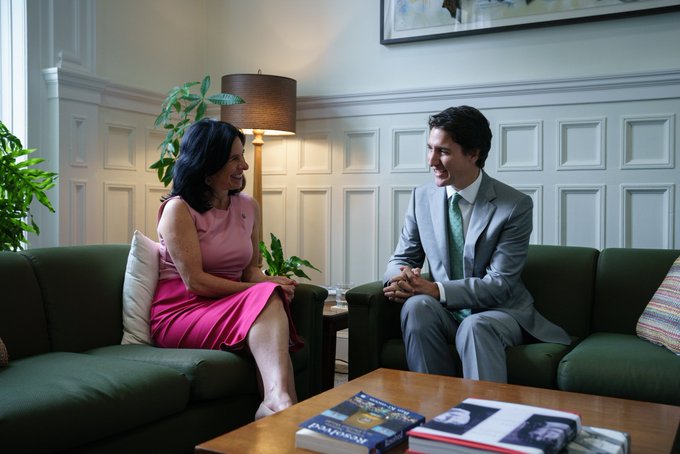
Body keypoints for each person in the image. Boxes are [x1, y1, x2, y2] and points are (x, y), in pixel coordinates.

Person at [383, 105, 570, 383]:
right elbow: (401, 257)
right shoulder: (421, 197)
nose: (431, 160)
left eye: (443, 151)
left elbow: (500, 285)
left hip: (498, 313)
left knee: (475, 325)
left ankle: (484, 418)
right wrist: (402, 278)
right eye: (430, 148)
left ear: (474, 154)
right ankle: (433, 409)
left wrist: (436, 289)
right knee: (416, 307)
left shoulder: (514, 205)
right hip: (445, 314)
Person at [149, 118, 302, 420]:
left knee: (270, 298)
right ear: (207, 165)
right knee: (267, 298)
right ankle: (282, 407)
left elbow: (250, 270)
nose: (244, 165)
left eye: (242, 155)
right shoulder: (178, 209)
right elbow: (196, 283)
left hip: (229, 303)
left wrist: (267, 280)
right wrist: (259, 290)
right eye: (234, 158)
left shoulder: (248, 206)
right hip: (181, 311)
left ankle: (279, 405)